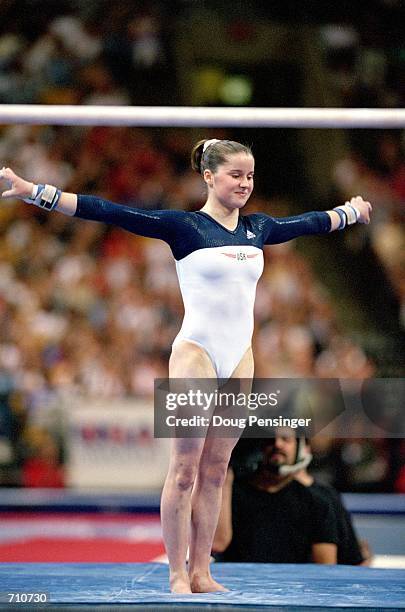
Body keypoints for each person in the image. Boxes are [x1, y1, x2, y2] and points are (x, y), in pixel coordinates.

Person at [0, 138, 372, 592]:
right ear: (209, 177)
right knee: (185, 469)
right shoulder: (183, 227)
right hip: (196, 352)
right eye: (236, 175)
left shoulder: (259, 229)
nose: (245, 184)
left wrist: (350, 212)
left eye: (250, 176)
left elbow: (312, 222)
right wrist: (31, 190)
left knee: (217, 470)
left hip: (239, 357)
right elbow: (107, 210)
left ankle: (202, 570)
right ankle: (177, 572)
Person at [213, 429, 339, 563]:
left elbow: (325, 567)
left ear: (301, 449)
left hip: (296, 582)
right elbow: (218, 543)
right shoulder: (232, 492)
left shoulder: (317, 502)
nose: (277, 444)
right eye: (270, 440)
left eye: (286, 439)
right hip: (238, 581)